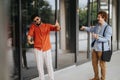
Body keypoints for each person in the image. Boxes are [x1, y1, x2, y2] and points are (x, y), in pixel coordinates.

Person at [27, 14, 61, 80]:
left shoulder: (47, 26)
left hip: (47, 49)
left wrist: (57, 25)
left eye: (37, 19)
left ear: (40, 18)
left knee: (49, 66)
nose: (36, 21)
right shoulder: (33, 27)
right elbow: (30, 34)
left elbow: (57, 29)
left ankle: (52, 79)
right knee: (40, 67)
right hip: (38, 50)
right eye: (35, 21)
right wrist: (29, 39)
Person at [80, 11, 112, 80]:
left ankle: (103, 79)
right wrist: (85, 28)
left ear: (104, 18)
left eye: (99, 17)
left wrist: (97, 37)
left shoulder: (108, 27)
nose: (98, 18)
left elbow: (107, 39)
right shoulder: (97, 25)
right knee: (94, 64)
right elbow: (92, 29)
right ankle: (96, 77)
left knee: (102, 65)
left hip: (102, 49)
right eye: (98, 17)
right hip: (95, 48)